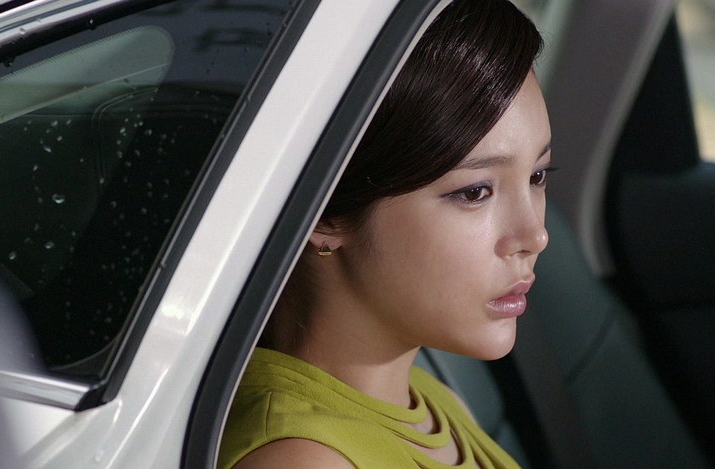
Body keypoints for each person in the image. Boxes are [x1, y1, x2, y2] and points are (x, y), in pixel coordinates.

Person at [219, 0, 549, 467]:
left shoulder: (428, 402)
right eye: (475, 192)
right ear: (323, 214)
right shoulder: (306, 460)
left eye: (537, 176)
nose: (535, 236)